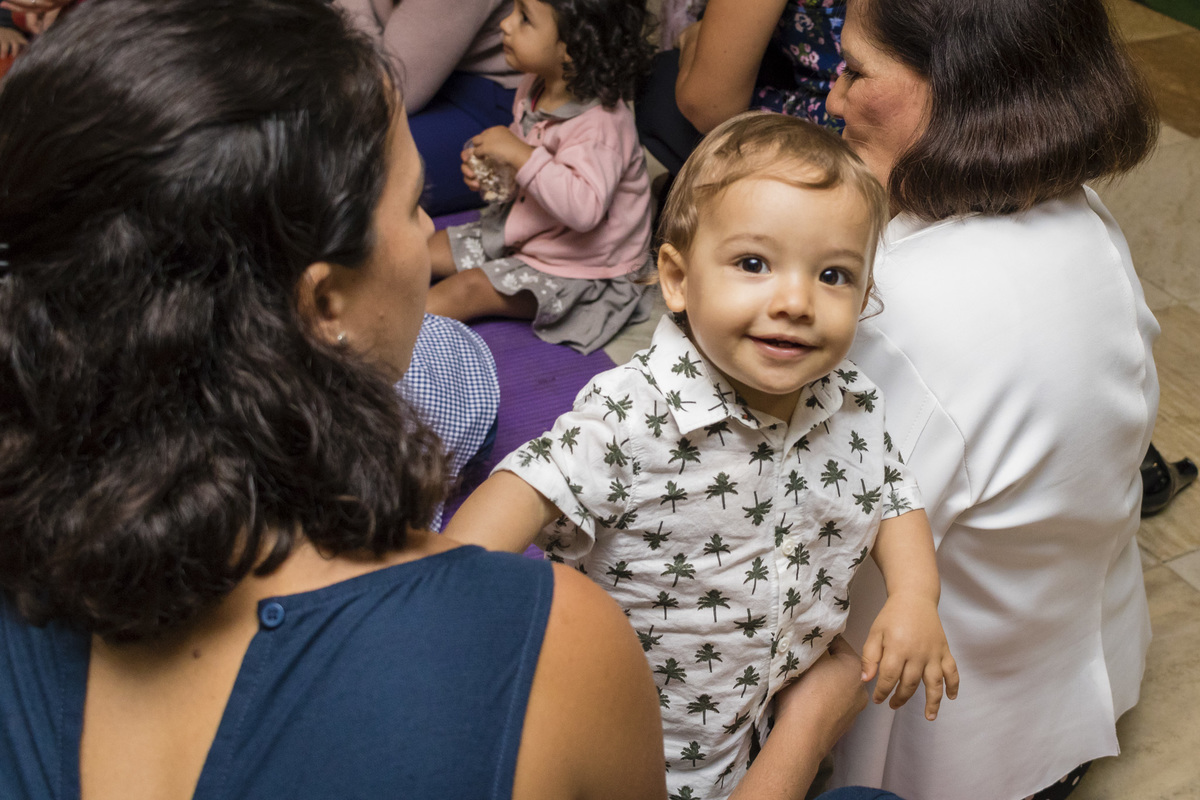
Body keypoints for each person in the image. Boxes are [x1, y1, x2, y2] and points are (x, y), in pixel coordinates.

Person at [0, 1, 670, 797]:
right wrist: (813, 716)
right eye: (412, 205)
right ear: (322, 306)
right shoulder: (552, 646)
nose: (427, 226)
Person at [447, 112, 958, 800]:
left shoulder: (853, 400)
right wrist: (441, 597)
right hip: (639, 756)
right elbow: (526, 484)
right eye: (754, 263)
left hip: (764, 724)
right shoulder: (635, 411)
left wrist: (915, 596)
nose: (796, 301)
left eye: (833, 274)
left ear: (865, 297)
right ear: (678, 279)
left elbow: (892, 493)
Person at [817, 1, 1160, 798]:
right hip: (1074, 665)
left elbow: (819, 551)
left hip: (954, 745)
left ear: (959, 90)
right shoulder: (1085, 218)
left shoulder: (898, 311)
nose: (832, 99)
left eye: (856, 72)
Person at [426, 0, 655, 355]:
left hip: (582, 269)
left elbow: (583, 209)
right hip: (534, 228)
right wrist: (496, 176)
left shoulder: (602, 126)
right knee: (426, 250)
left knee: (466, 289)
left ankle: (375, 342)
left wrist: (519, 154)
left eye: (525, 19)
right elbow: (530, 167)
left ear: (573, 48)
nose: (506, 24)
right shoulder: (535, 85)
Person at [335, 0, 523, 217]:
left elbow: (388, 90)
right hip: (408, 71)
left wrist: (348, 17)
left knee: (338, 167)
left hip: (489, 100)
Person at [637, 0, 846, 178]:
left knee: (661, 84)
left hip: (840, 138)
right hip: (859, 108)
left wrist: (690, 37)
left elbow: (709, 107)